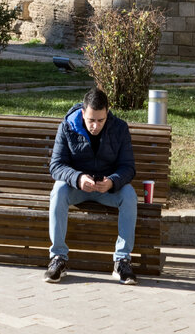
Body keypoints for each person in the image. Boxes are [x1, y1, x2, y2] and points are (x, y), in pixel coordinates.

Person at [45, 86, 137, 285]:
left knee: (129, 194)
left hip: (107, 189)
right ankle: (58, 257)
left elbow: (128, 167)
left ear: (107, 113)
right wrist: (77, 178)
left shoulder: (120, 128)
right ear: (82, 113)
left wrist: (112, 181)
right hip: (77, 188)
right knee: (58, 190)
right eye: (91, 120)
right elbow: (56, 166)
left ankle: (122, 261)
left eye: (101, 120)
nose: (95, 126)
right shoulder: (67, 126)